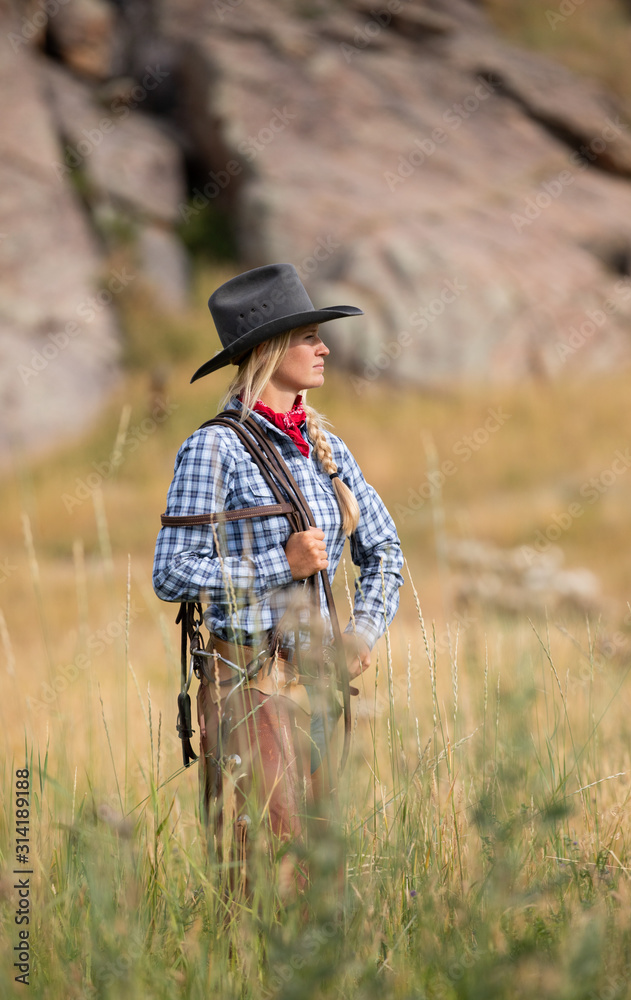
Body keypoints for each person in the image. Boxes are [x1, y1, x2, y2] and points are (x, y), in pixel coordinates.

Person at [153, 263, 403, 889]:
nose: (324, 348)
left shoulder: (326, 447)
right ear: (268, 351)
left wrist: (363, 634)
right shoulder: (213, 448)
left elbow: (386, 550)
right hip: (245, 683)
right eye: (308, 337)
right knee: (268, 857)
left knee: (322, 865)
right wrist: (278, 565)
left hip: (317, 682)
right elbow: (171, 572)